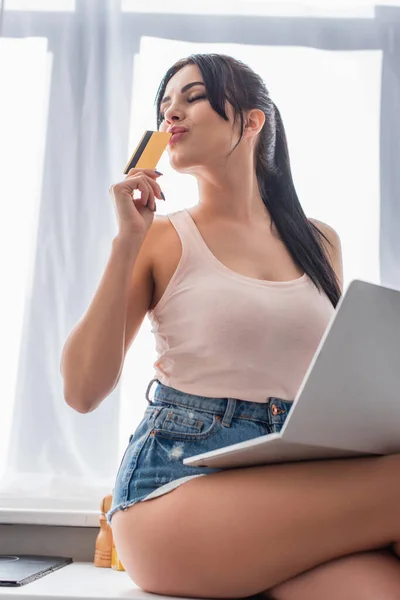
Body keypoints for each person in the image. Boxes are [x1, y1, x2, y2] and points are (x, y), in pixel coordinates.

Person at [61, 53, 400, 600]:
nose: (171, 113)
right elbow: (80, 391)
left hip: (287, 487)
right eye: (164, 104)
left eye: (191, 97)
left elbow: (334, 385)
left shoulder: (320, 244)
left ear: (251, 120)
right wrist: (126, 241)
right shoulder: (159, 237)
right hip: (175, 489)